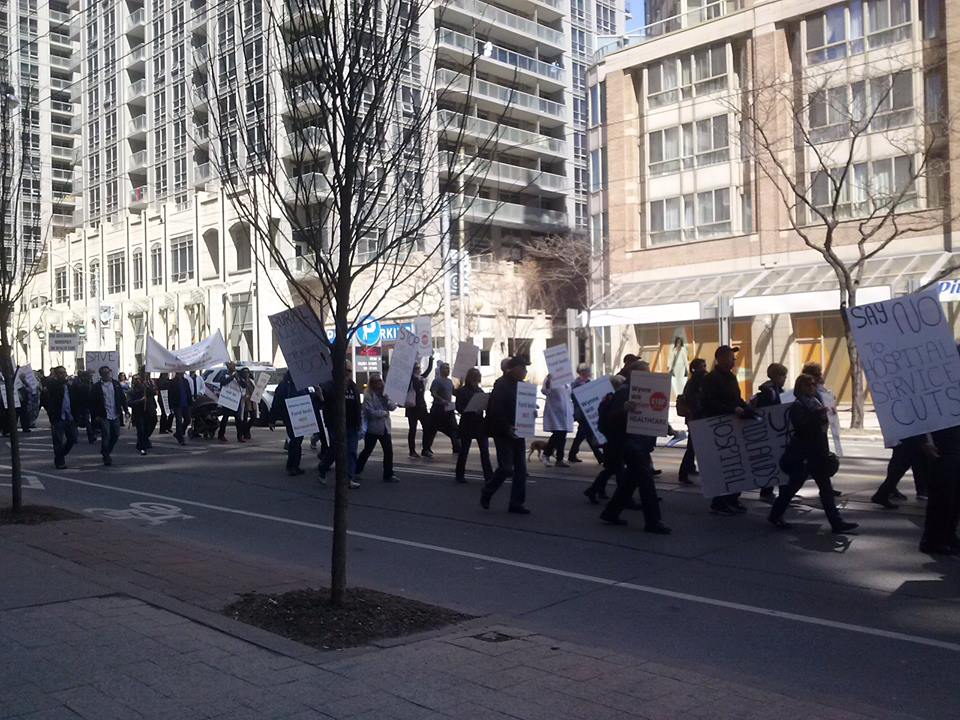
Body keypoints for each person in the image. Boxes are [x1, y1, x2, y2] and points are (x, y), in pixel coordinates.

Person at [768, 374, 858, 534]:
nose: (812, 387)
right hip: (804, 454)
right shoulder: (798, 406)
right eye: (808, 385)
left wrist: (827, 415)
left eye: (814, 384)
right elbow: (802, 428)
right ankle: (776, 514)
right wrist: (818, 415)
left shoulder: (815, 402)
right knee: (793, 487)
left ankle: (836, 523)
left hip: (817, 453)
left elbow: (821, 426)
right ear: (800, 387)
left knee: (825, 488)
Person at [597, 359, 671, 534]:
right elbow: (610, 419)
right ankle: (653, 521)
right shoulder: (623, 392)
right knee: (646, 481)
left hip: (640, 442)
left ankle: (611, 512)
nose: (649, 375)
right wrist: (624, 409)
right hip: (629, 443)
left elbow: (652, 413)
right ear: (634, 374)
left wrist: (667, 428)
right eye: (645, 372)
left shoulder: (648, 390)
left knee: (631, 480)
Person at [701, 345, 755, 515]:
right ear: (722, 359)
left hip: (732, 425)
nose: (734, 360)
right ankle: (719, 502)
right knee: (722, 465)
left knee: (737, 463)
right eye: (732, 357)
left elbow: (736, 398)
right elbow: (709, 402)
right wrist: (732, 410)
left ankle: (732, 498)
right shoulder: (711, 379)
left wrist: (747, 408)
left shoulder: (730, 377)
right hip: (719, 427)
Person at [481, 356, 531, 514]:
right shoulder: (501, 385)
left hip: (519, 431)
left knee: (521, 469)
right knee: (506, 468)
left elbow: (523, 408)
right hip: (503, 432)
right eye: (523, 368)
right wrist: (506, 427)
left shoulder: (522, 386)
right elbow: (496, 410)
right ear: (514, 368)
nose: (525, 371)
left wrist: (530, 412)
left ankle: (516, 503)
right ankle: (487, 491)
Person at [318, 361, 362, 489]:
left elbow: (356, 405)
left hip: (352, 424)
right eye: (346, 371)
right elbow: (323, 402)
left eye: (350, 371)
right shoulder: (330, 386)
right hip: (336, 424)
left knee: (352, 451)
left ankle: (348, 478)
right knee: (336, 449)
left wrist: (358, 421)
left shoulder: (353, 386)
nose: (349, 374)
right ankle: (323, 467)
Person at [583, 375, 625, 503]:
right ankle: (623, 497)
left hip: (611, 439)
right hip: (613, 439)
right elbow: (607, 420)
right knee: (617, 468)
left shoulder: (610, 399)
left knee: (612, 468)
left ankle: (594, 490)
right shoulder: (611, 400)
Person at [751, 363, 788, 501]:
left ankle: (772, 491)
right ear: (777, 376)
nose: (785, 379)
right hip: (772, 432)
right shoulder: (770, 392)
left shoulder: (775, 390)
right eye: (783, 376)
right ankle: (767, 492)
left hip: (776, 431)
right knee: (774, 462)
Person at [356, 374, 399, 484]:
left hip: (384, 427)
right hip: (373, 428)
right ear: (371, 383)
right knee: (367, 450)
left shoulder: (385, 394)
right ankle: (357, 470)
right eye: (375, 381)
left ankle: (388, 474)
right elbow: (370, 412)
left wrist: (388, 399)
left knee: (388, 451)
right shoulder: (368, 395)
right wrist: (383, 413)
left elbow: (393, 407)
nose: (378, 383)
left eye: (380, 381)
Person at [454, 367, 493, 484]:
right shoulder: (462, 391)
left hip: (480, 423)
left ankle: (489, 475)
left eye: (478, 378)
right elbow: (459, 407)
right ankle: (459, 474)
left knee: (484, 451)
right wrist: (470, 410)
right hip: (467, 422)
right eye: (475, 378)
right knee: (464, 450)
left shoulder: (480, 391)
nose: (476, 381)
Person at [272, 371, 314, 476]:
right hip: (290, 416)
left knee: (298, 441)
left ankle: (295, 465)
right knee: (295, 442)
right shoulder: (284, 386)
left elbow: (308, 398)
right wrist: (272, 419)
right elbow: (277, 402)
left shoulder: (302, 386)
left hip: (300, 415)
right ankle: (292, 466)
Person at [871, 436, 932, 509]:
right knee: (903, 463)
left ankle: (884, 493)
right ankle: (883, 493)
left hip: (906, 436)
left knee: (903, 463)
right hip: (910, 436)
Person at [41, 366, 81, 469]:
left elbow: (76, 400)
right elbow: (46, 398)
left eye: (64, 373)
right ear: (55, 375)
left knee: (72, 438)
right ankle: (60, 461)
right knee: (58, 440)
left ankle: (60, 455)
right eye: (60, 373)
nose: (63, 375)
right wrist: (50, 412)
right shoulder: (52, 385)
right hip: (58, 417)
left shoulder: (69, 386)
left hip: (69, 417)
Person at [677, 358, 706, 485]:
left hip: (694, 418)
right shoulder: (695, 383)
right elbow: (695, 402)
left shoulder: (693, 382)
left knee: (693, 447)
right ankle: (683, 473)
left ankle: (689, 468)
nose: (705, 368)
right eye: (702, 366)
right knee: (692, 447)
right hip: (696, 418)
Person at [91, 366, 128, 466]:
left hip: (115, 413)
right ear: (101, 375)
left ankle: (106, 450)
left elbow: (122, 398)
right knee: (106, 434)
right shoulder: (96, 387)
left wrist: (126, 410)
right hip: (103, 415)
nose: (107, 374)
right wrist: (95, 416)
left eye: (108, 372)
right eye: (104, 373)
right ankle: (106, 456)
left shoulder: (116, 384)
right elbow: (93, 403)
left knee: (116, 434)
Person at [422, 361, 461, 457]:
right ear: (440, 370)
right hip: (438, 409)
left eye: (448, 368)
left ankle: (456, 447)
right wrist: (441, 400)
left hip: (448, 409)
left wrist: (460, 386)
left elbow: (454, 392)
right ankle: (426, 449)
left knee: (454, 428)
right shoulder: (437, 381)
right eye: (445, 368)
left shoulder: (449, 381)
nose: (447, 370)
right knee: (432, 429)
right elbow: (433, 392)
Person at [568, 364, 602, 464]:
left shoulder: (589, 382)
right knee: (587, 434)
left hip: (588, 412)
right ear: (582, 373)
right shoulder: (576, 384)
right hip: (581, 413)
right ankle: (599, 456)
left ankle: (572, 454)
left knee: (583, 434)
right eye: (587, 372)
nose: (589, 374)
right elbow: (574, 397)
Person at [404, 355, 433, 458]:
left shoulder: (421, 378)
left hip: (421, 407)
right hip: (412, 408)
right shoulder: (410, 380)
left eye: (419, 368)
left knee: (427, 427)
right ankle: (412, 451)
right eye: (416, 368)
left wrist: (431, 359)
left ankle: (425, 449)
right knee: (413, 430)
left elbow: (428, 370)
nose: (418, 370)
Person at [541, 373, 572, 467]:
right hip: (554, 411)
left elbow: (569, 392)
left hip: (565, 412)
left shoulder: (566, 379)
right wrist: (549, 381)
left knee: (563, 435)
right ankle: (546, 454)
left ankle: (559, 459)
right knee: (558, 434)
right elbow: (545, 391)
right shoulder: (549, 378)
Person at [128, 375, 157, 456]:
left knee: (150, 426)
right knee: (141, 430)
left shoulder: (145, 389)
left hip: (149, 412)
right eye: (135, 379)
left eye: (138, 379)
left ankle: (144, 440)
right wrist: (139, 401)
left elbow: (154, 392)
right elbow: (129, 403)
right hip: (138, 413)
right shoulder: (131, 391)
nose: (137, 381)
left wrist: (151, 384)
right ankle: (142, 447)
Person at [168, 371, 194, 445]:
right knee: (178, 421)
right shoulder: (173, 382)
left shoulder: (185, 381)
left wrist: (190, 403)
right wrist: (171, 406)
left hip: (186, 404)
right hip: (177, 405)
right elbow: (170, 395)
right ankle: (180, 438)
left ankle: (179, 432)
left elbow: (188, 392)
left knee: (188, 419)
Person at [217, 361, 239, 442]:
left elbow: (242, 385)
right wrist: (232, 377)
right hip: (227, 400)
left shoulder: (237, 376)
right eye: (232, 367)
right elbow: (223, 383)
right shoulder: (224, 375)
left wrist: (237, 378)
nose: (233, 368)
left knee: (238, 418)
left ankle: (240, 436)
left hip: (234, 400)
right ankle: (221, 434)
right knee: (225, 418)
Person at [235, 367, 257, 442]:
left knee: (253, 417)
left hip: (252, 401)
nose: (246, 374)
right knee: (243, 419)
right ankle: (243, 434)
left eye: (247, 372)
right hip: (244, 402)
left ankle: (246, 430)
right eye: (244, 372)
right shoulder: (240, 381)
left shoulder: (251, 381)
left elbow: (255, 389)